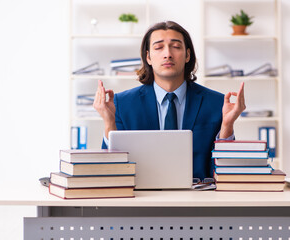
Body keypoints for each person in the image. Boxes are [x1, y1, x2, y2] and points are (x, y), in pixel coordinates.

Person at [93, 21, 245, 179]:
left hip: (198, 199)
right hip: (143, 199)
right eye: (158, 47)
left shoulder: (216, 103)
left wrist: (227, 125)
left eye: (176, 47)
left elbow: (223, 173)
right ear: (148, 57)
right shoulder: (122, 104)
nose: (168, 54)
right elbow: (111, 171)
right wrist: (109, 122)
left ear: (187, 55)